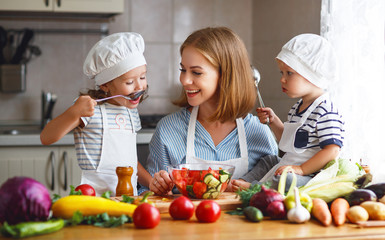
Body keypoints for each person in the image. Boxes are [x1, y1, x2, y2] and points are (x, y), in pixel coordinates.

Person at [144, 27, 278, 195]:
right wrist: (157, 188)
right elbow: (145, 194)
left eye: (196, 72)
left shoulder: (259, 132)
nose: (185, 80)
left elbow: (272, 195)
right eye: (183, 70)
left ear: (226, 75)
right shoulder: (168, 130)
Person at [40, 32, 152, 196]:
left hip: (128, 198)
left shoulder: (130, 113)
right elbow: (46, 137)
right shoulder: (88, 110)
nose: (139, 86)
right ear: (106, 85)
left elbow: (130, 161)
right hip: (94, 200)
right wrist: (74, 112)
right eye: (129, 82)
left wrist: (150, 182)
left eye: (142, 77)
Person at [231, 33, 345, 192]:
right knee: (269, 160)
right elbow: (290, 143)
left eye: (289, 73)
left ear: (311, 74)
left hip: (311, 174)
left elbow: (332, 150)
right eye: (281, 73)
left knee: (288, 179)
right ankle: (241, 182)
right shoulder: (298, 107)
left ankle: (255, 188)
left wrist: (302, 170)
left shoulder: (326, 110)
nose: (282, 79)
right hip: (293, 165)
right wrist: (274, 121)